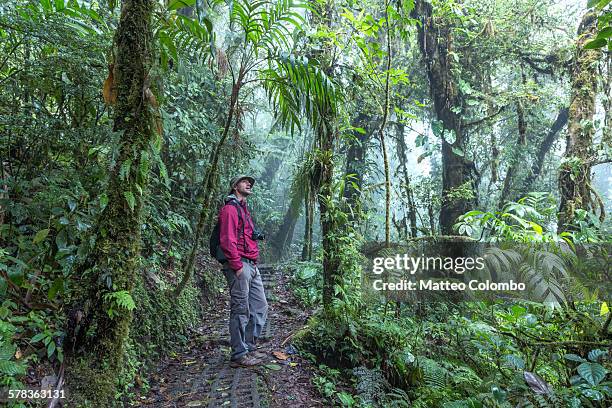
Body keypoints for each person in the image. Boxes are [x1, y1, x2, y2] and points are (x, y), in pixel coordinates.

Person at [218, 175, 268, 367]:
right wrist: (237, 266)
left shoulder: (244, 210)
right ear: (235, 186)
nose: (249, 184)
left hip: (252, 265)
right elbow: (227, 240)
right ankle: (239, 354)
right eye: (245, 182)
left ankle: (247, 346)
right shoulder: (230, 209)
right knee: (240, 309)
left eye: (251, 183)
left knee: (260, 306)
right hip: (239, 265)